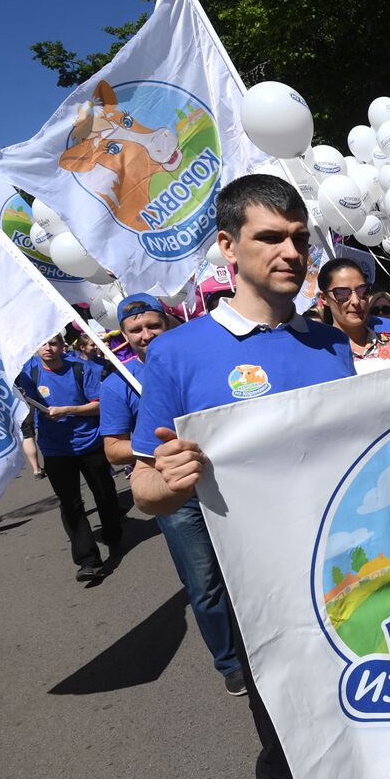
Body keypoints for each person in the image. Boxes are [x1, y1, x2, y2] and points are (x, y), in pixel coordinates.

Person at [129, 174, 390, 779]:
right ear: (227, 246)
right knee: (289, 731)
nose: (290, 251)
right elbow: (143, 489)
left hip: (361, 574)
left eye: (299, 238)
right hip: (262, 594)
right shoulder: (179, 354)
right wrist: (170, 481)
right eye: (270, 236)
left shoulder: (327, 343)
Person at [98, 293, 246, 697]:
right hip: (174, 493)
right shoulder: (117, 384)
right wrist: (155, 445)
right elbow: (112, 448)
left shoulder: (193, 363)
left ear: (168, 324)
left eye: (153, 326)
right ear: (124, 337)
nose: (145, 335)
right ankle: (230, 662)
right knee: (205, 581)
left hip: (222, 481)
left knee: (247, 569)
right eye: (135, 330)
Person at [16, 333, 125, 581]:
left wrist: (69, 410)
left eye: (53, 343)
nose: (48, 348)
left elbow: (99, 405)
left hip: (89, 443)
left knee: (105, 493)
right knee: (70, 503)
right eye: (42, 343)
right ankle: (88, 560)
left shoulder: (81, 368)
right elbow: (23, 399)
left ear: (63, 347)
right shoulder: (29, 371)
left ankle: (113, 534)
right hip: (55, 449)